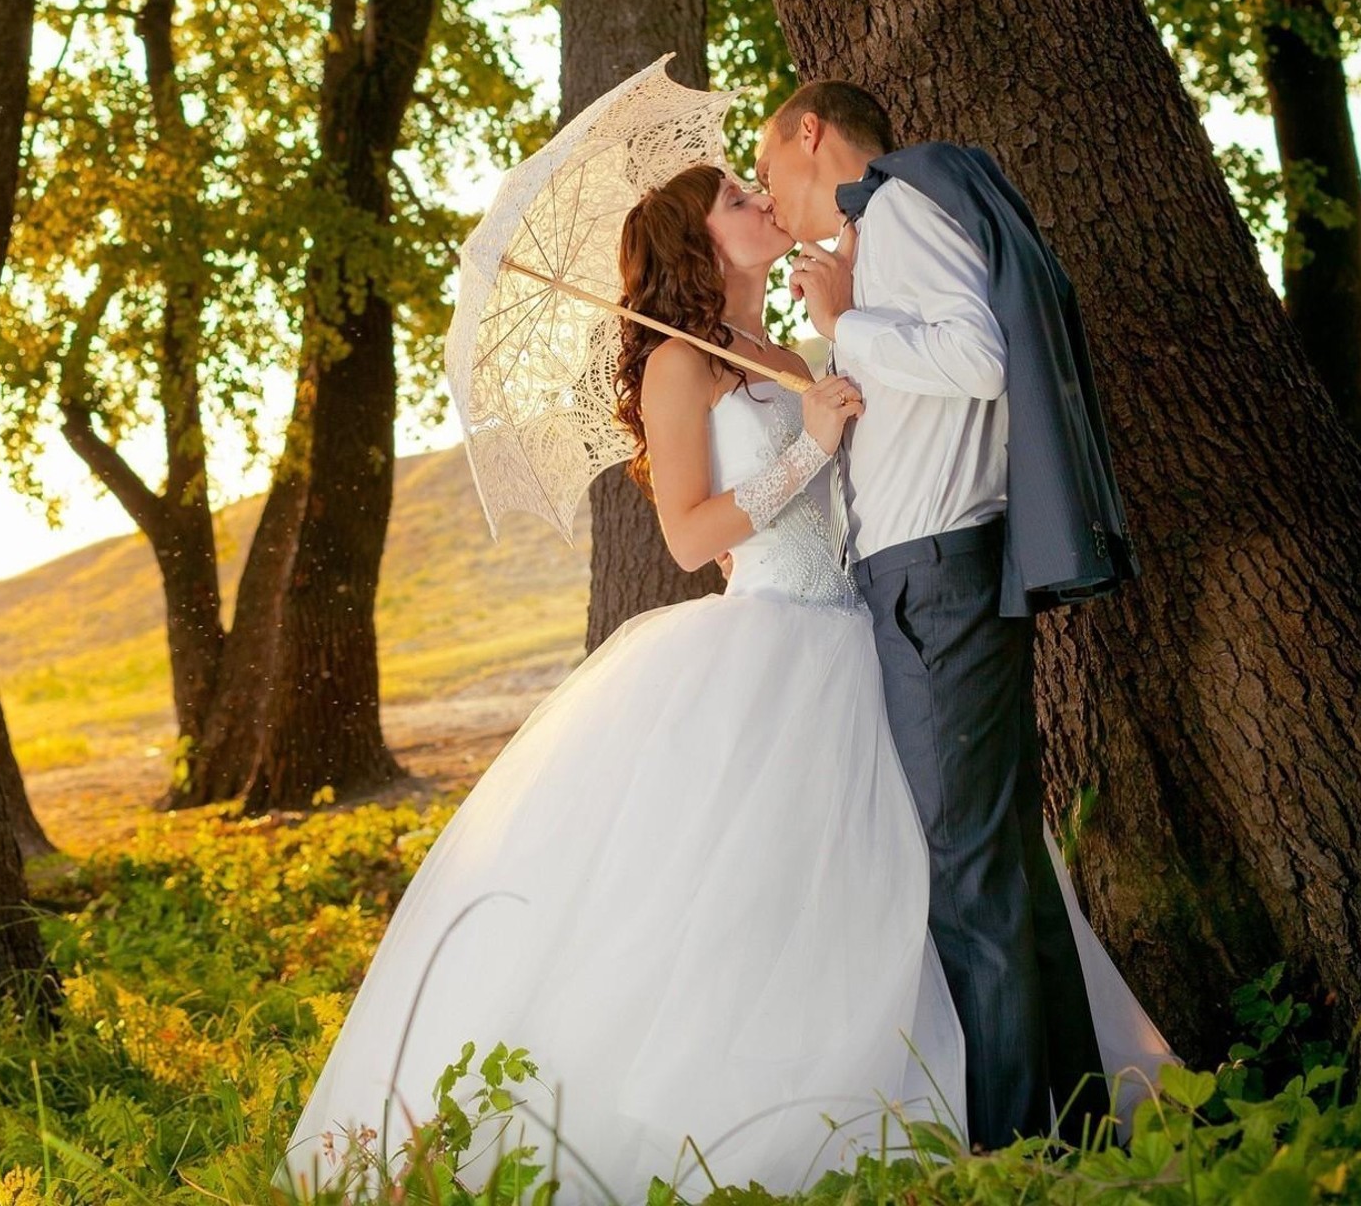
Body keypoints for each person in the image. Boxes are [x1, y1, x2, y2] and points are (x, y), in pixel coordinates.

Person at [275, 162, 1166, 1202]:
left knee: (918, 868)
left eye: (754, 188)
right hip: (769, 644)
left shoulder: (784, 352)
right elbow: (691, 533)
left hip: (867, 636)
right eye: (737, 201)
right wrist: (812, 447)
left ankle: (991, 1095)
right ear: (698, 244)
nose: (760, 203)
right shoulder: (673, 366)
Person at [756, 81, 1140, 1149]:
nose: (771, 199)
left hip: (934, 576)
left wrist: (843, 322)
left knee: (966, 871)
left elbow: (978, 360)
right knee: (1001, 859)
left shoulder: (899, 201)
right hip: (935, 572)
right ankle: (1072, 1134)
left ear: (811, 134)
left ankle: (1021, 1151)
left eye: (770, 170)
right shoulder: (886, 228)